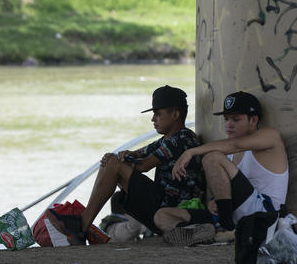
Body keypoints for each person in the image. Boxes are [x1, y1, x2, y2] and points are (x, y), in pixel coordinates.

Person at [61, 85, 206, 245]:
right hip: (162, 203)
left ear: (175, 114)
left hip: (172, 212)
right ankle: (83, 223)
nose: (153, 119)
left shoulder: (182, 139)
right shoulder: (166, 140)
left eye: (158, 114)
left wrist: (118, 162)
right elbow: (138, 153)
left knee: (114, 164)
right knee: (111, 161)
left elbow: (144, 166)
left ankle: (82, 225)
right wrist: (120, 157)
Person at [158, 91, 289, 246]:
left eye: (236, 119)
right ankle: (203, 233)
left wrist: (190, 151)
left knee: (212, 157)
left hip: (263, 215)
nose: (229, 124)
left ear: (253, 120)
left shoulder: (271, 136)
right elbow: (218, 188)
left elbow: (235, 145)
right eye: (226, 119)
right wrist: (212, 202)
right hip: (234, 213)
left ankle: (224, 228)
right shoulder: (227, 150)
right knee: (162, 215)